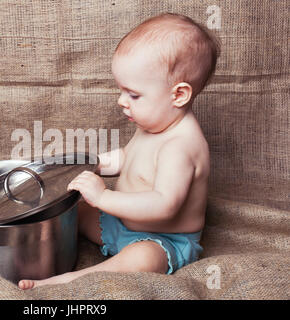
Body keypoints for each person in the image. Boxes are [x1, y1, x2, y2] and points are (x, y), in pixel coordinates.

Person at [18, 12, 220, 290]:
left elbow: (164, 205)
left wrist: (103, 196)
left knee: (142, 258)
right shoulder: (154, 122)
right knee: (71, 209)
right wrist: (94, 164)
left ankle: (67, 282)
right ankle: (27, 241)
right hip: (118, 224)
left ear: (178, 95)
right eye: (121, 90)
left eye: (133, 94)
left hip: (162, 240)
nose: (121, 101)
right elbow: (130, 157)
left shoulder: (181, 146)